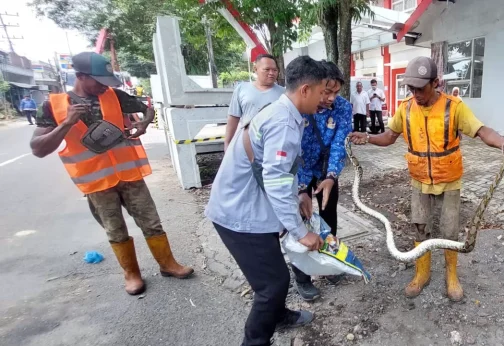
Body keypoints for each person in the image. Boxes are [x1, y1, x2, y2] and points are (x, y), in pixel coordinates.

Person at [348, 56, 504, 302]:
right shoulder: (406, 108)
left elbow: (482, 131)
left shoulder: (454, 106)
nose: (415, 93)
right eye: (411, 88)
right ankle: (422, 273)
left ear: (435, 83)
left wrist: (503, 142)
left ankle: (452, 276)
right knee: (420, 226)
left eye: (421, 87)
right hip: (419, 179)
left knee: (450, 230)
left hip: (449, 180)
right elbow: (389, 136)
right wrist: (367, 138)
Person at [30, 52, 193, 296]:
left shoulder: (114, 95)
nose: (104, 85)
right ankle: (132, 274)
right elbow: (38, 149)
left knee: (152, 222)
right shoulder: (53, 106)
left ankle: (168, 264)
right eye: (99, 80)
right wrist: (66, 124)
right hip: (96, 182)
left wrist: (144, 124)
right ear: (82, 76)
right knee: (115, 230)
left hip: (130, 176)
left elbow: (148, 110)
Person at [205, 55, 329, 346]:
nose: (324, 98)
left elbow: (280, 169)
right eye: (322, 91)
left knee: (273, 277)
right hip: (239, 214)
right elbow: (274, 182)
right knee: (272, 284)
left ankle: (278, 315)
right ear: (305, 90)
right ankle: (255, 341)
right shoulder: (284, 122)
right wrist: (301, 231)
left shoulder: (284, 112)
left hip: (251, 207)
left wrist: (300, 192)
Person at [292, 61, 353, 301]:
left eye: (335, 92)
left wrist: (331, 176)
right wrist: (299, 188)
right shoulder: (301, 105)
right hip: (300, 172)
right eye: (326, 91)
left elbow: (340, 143)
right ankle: (302, 276)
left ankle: (327, 264)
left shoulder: (343, 108)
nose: (330, 98)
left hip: (327, 172)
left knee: (329, 217)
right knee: (301, 222)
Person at [223, 54, 285, 151]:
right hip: (248, 146)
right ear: (255, 69)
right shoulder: (242, 89)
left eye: (275, 70)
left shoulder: (284, 93)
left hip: (274, 146)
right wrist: (227, 143)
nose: (271, 73)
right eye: (267, 69)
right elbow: (233, 117)